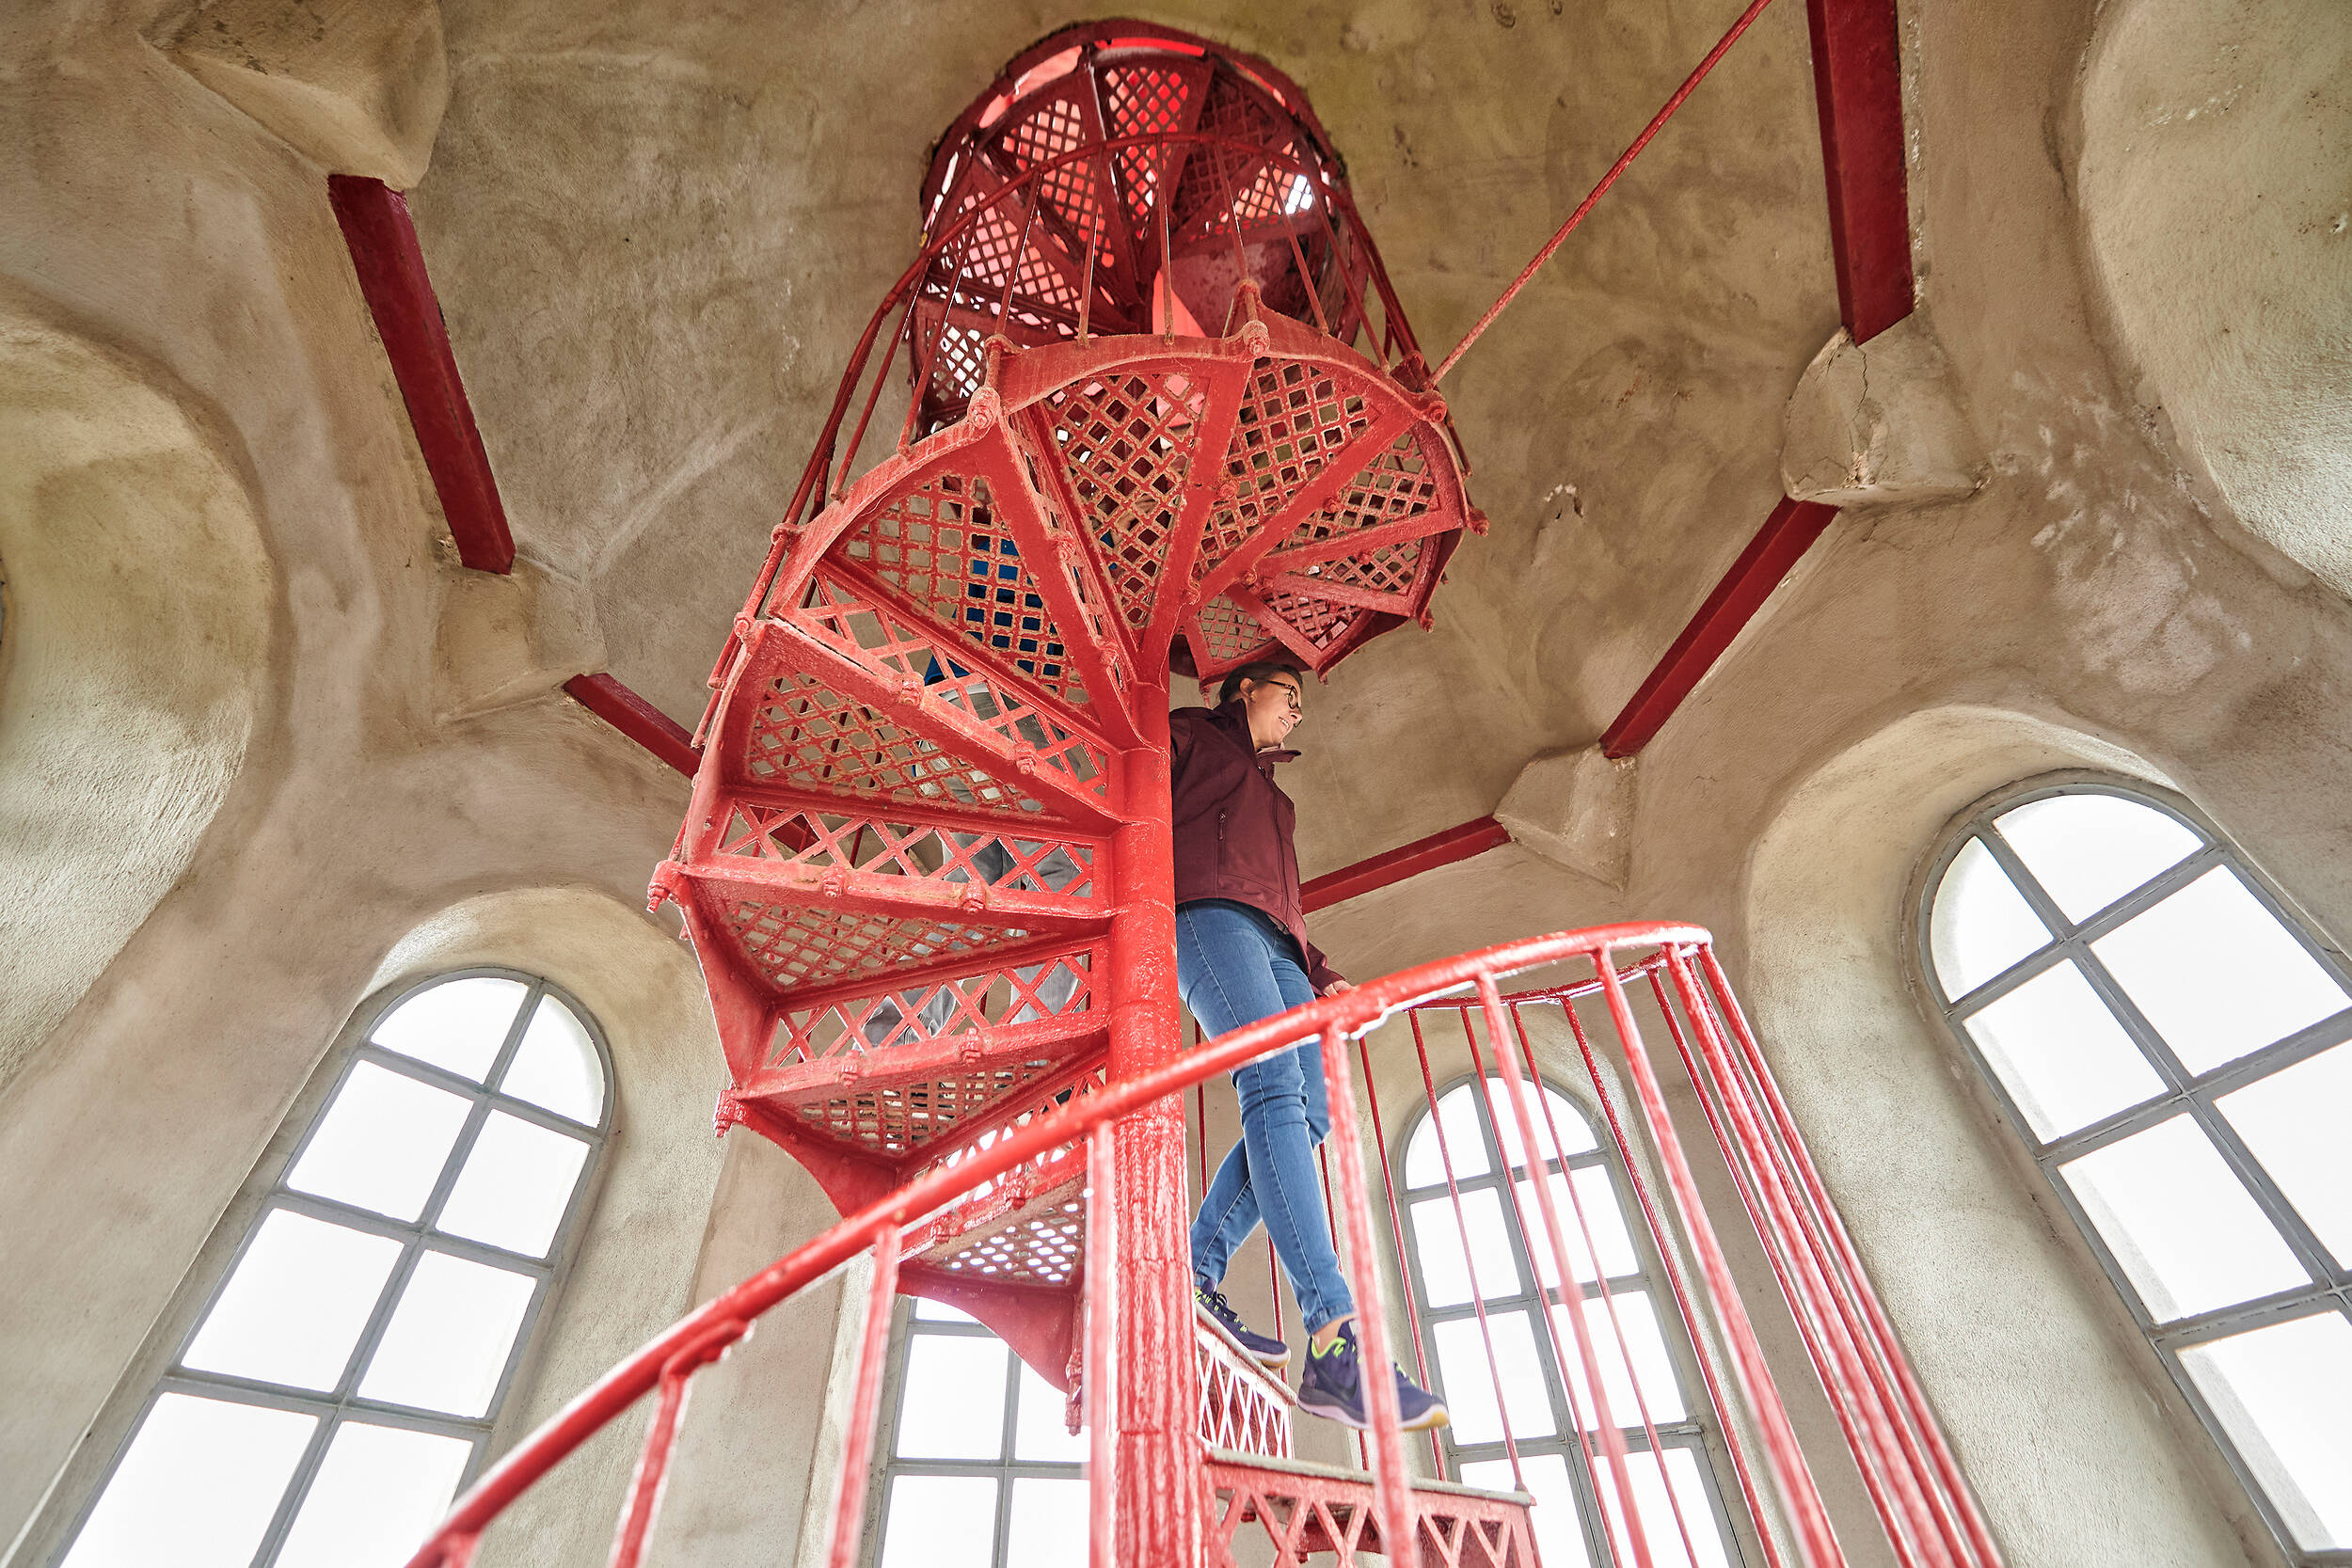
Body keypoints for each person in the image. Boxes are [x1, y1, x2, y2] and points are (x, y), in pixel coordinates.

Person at [1170, 660, 1448, 1432]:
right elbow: (1120, 790)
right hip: (1206, 917)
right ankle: (1334, 1335)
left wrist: (1320, 970)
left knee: (1314, 1107)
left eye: (1300, 706)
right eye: (1288, 697)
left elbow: (1282, 902)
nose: (1297, 714)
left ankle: (1192, 1269)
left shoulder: (1276, 798)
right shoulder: (1188, 735)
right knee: (1270, 1086)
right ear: (1245, 689)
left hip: (1280, 949)